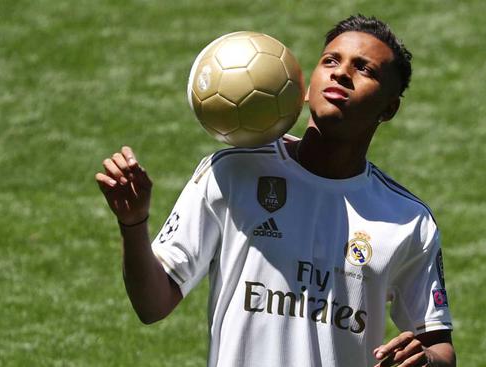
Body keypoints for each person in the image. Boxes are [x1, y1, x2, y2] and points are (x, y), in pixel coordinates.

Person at [96, 15, 455, 367]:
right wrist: (133, 223)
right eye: (330, 60)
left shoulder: (408, 221)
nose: (341, 73)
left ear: (389, 108)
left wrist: (424, 360)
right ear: (307, 85)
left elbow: (438, 346)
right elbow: (152, 304)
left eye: (365, 69)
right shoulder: (233, 172)